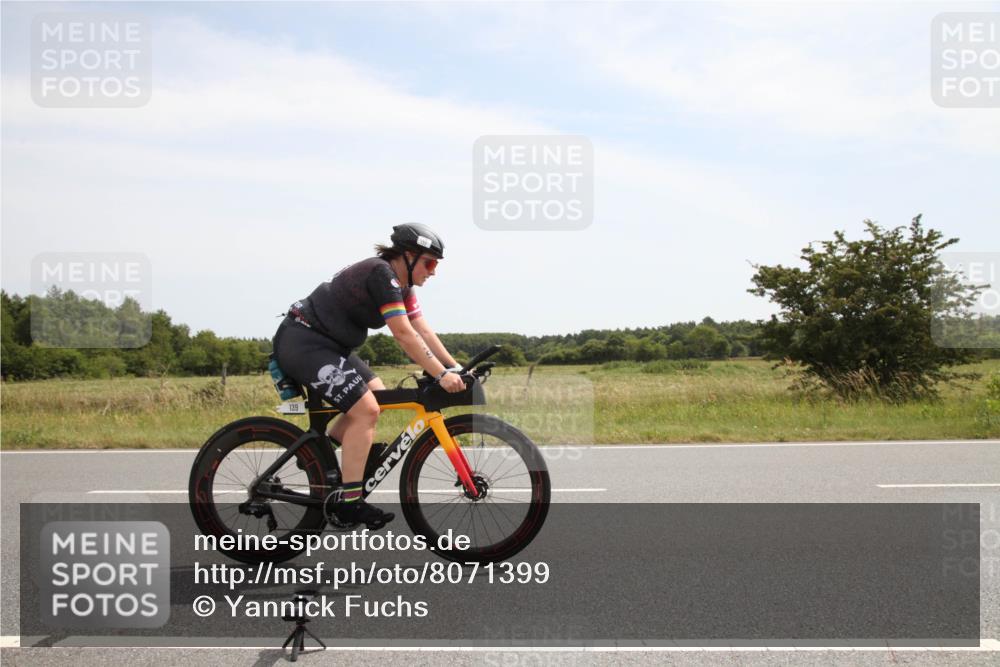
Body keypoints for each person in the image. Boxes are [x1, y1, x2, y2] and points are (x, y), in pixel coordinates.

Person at [272, 223, 465, 530]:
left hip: (331, 345)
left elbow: (422, 330)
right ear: (409, 256)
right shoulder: (382, 275)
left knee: (380, 397)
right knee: (367, 410)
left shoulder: (403, 286)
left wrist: (456, 369)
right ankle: (350, 504)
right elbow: (403, 334)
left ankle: (318, 457)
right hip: (305, 342)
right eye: (430, 263)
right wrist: (440, 374)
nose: (433, 272)